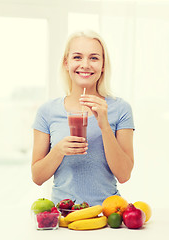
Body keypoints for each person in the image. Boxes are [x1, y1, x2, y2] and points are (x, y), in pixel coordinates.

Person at [31, 30, 135, 206]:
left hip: (108, 214)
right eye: (77, 57)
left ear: (103, 65)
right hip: (64, 215)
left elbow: (124, 175)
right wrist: (58, 150)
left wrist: (104, 126)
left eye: (94, 58)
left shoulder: (120, 109)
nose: (85, 65)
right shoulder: (47, 111)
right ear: (66, 63)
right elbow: (37, 177)